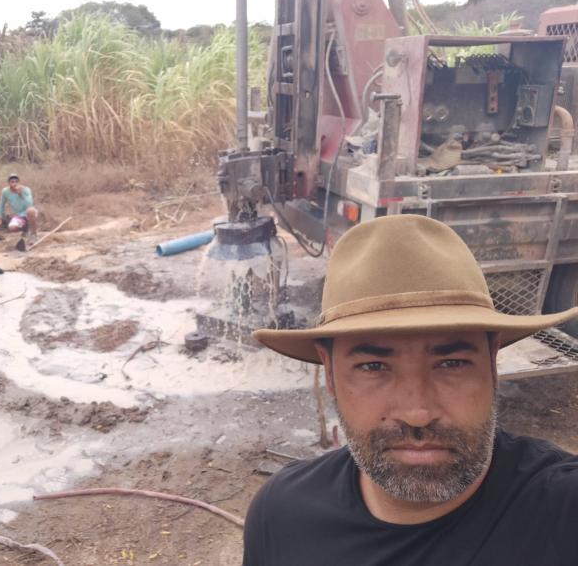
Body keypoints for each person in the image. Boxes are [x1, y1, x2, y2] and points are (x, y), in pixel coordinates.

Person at [243, 215, 578, 566]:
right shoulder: (281, 518)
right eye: (373, 367)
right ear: (330, 374)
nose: (418, 414)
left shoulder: (561, 511)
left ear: (492, 363)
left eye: (452, 363)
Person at [0, 173, 39, 240]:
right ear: (9, 183)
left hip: (29, 213)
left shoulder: (26, 189)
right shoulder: (5, 191)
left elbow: (30, 204)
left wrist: (21, 194)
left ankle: (33, 234)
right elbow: (1, 204)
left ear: (19, 182)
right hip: (18, 215)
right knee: (12, 227)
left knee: (31, 210)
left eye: (16, 182)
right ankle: (25, 230)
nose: (14, 183)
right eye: (12, 182)